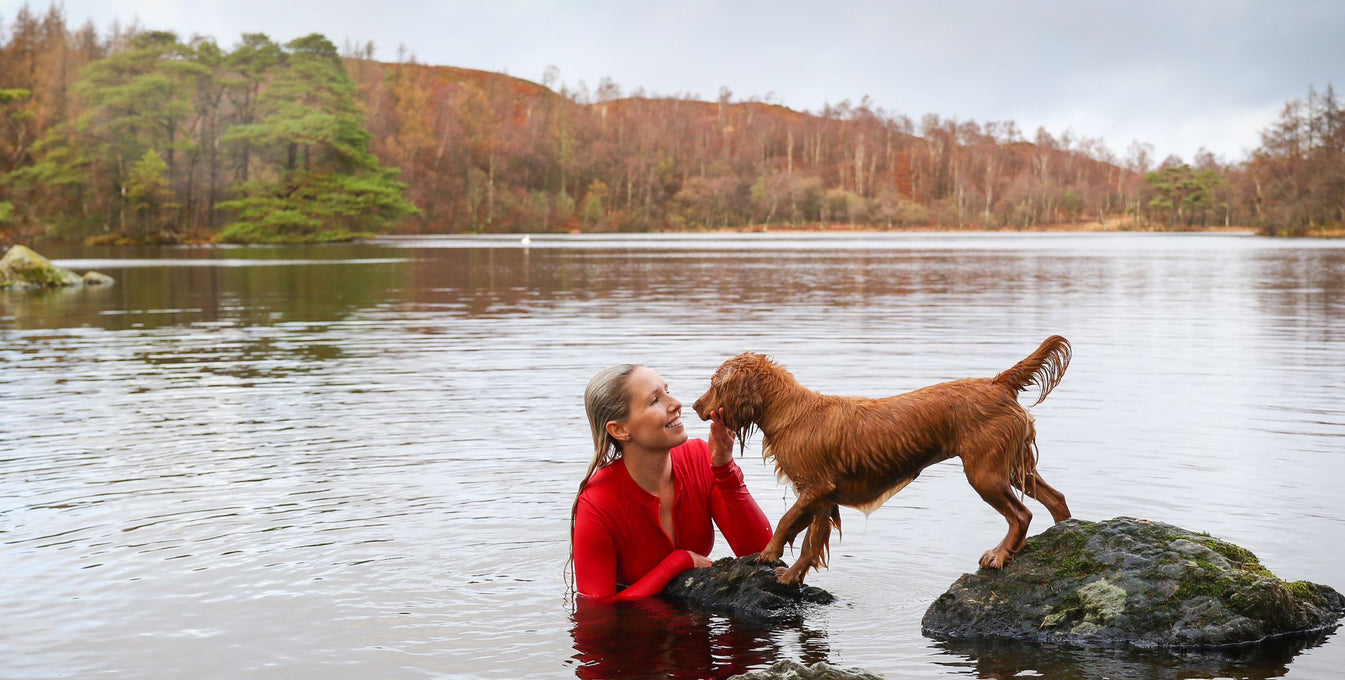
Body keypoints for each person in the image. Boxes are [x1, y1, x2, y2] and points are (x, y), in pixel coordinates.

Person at [569, 364, 773, 601]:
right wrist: (677, 563)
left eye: (668, 391)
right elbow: (596, 613)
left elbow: (764, 558)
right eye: (655, 400)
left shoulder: (701, 457)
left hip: (697, 624)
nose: (676, 403)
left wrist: (725, 471)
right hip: (635, 630)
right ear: (620, 429)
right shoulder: (597, 503)